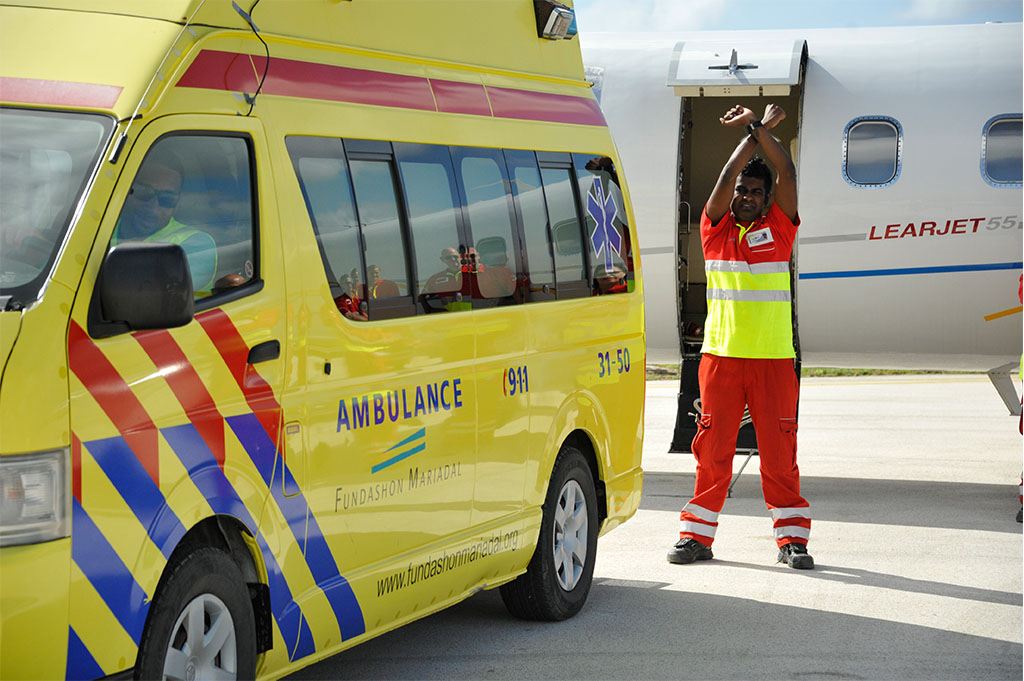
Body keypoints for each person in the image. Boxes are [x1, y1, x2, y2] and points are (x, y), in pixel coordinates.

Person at [667, 103, 814, 570]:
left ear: (769, 199)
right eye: (742, 191)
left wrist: (759, 129)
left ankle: (792, 540)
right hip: (722, 359)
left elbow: (785, 169)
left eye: (755, 191)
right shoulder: (715, 230)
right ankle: (697, 536)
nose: (746, 195)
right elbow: (724, 179)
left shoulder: (781, 228)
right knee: (712, 451)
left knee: (779, 453)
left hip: (772, 360)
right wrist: (754, 134)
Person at [112, 152, 218, 294]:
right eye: (145, 192)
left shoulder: (197, 243)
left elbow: (145, 295)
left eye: (167, 198)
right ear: (128, 190)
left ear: (177, 205)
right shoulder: (102, 227)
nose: (153, 207)